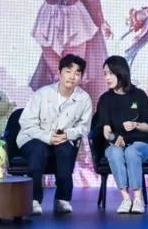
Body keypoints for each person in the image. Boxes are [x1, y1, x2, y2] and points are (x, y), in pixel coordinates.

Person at [16, 54, 93, 215]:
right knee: (39, 150)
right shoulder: (42, 94)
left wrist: (67, 134)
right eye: (68, 71)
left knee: (65, 151)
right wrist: (47, 137)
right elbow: (27, 123)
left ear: (81, 77)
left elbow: (84, 127)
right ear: (59, 73)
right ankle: (34, 200)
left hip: (62, 138)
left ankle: (62, 199)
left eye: (77, 73)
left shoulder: (84, 99)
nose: (72, 76)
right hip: (34, 137)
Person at [97, 55, 148, 214]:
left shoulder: (139, 95)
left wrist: (135, 125)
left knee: (131, 151)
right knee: (115, 153)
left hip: (141, 143)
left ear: (121, 72)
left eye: (110, 73)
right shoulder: (105, 99)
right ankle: (125, 198)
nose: (107, 78)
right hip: (115, 143)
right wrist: (114, 139)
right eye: (105, 74)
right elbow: (106, 131)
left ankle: (138, 199)